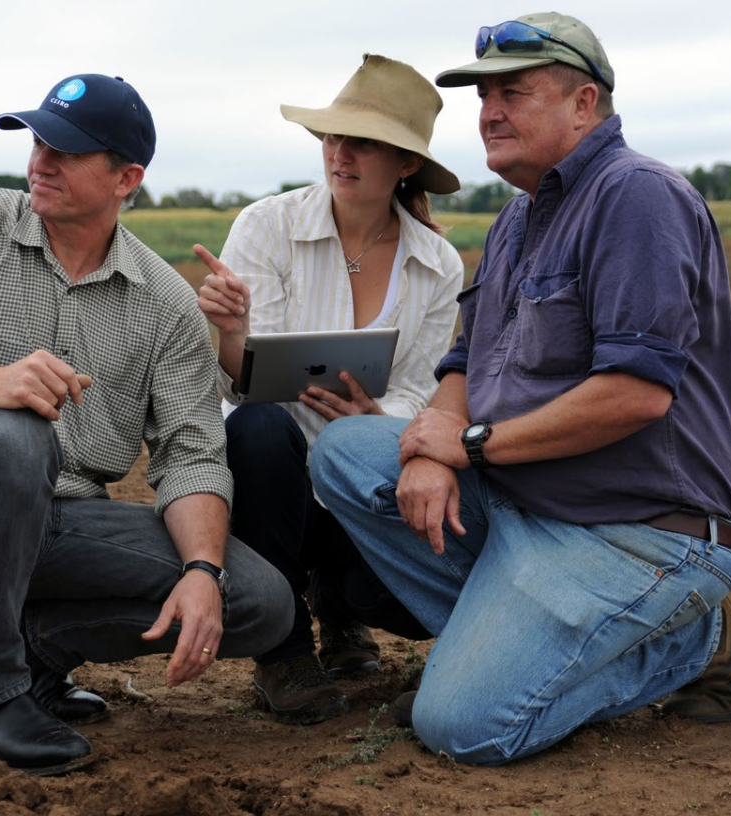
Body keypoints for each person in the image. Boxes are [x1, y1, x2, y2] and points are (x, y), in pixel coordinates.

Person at [310, 13, 731, 764]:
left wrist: (470, 445)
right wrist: (429, 448)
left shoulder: (635, 198)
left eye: (512, 93)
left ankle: (699, 635)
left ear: (584, 103)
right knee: (348, 453)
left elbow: (634, 395)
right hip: (529, 506)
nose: (488, 112)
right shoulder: (517, 218)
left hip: (640, 530)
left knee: (461, 727)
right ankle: (509, 650)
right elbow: (463, 362)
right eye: (482, 96)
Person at [0, 73, 292, 776]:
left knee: (257, 602)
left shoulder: (164, 303)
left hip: (64, 527)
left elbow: (192, 454)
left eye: (67, 150)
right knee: (14, 431)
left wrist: (201, 568)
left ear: (125, 177)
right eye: (38, 141)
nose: (40, 161)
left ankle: (37, 653)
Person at [193, 54, 464, 724]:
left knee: (392, 599)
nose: (339, 154)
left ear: (404, 164)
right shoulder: (267, 226)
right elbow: (244, 382)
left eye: (362, 142)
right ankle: (281, 652)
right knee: (257, 428)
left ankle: (339, 607)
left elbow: (419, 393)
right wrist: (231, 330)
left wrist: (376, 419)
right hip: (271, 476)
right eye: (332, 138)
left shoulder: (437, 265)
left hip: (363, 473)